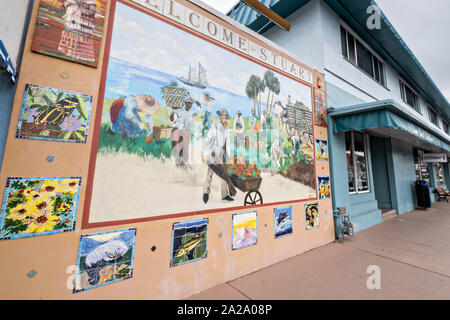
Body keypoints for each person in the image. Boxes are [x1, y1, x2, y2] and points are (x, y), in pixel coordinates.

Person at [202, 108, 237, 204]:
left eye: (225, 117)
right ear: (220, 117)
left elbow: (228, 144)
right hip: (213, 151)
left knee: (224, 174)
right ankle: (206, 192)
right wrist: (205, 153)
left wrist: (229, 156)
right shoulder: (215, 126)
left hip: (221, 153)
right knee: (210, 172)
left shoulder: (226, 130)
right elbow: (208, 140)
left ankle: (224, 195)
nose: (223, 118)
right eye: (222, 116)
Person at [170, 96, 195, 168]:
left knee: (185, 149)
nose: (189, 105)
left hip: (186, 132)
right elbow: (172, 120)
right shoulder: (179, 111)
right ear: (185, 103)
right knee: (176, 148)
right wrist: (172, 112)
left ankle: (183, 163)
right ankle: (176, 163)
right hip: (178, 130)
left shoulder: (191, 113)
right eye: (188, 103)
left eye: (190, 104)